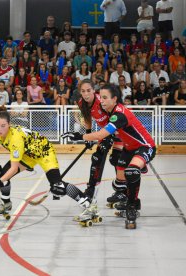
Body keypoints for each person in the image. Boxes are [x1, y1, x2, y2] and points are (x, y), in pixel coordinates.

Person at [62, 84, 156, 229]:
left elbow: (101, 134)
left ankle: (132, 206)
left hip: (145, 147)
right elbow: (94, 124)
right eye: (102, 97)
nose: (102, 101)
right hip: (129, 148)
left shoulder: (118, 115)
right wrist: (88, 135)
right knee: (119, 181)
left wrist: (79, 136)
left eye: (105, 98)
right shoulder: (108, 111)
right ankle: (127, 194)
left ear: (114, 99)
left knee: (131, 171)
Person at [0, 105, 95, 221]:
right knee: (2, 176)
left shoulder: (15, 138)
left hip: (44, 151)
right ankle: (6, 204)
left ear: (9, 125)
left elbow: (13, 168)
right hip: (27, 155)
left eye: (3, 126)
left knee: (58, 186)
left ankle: (89, 205)